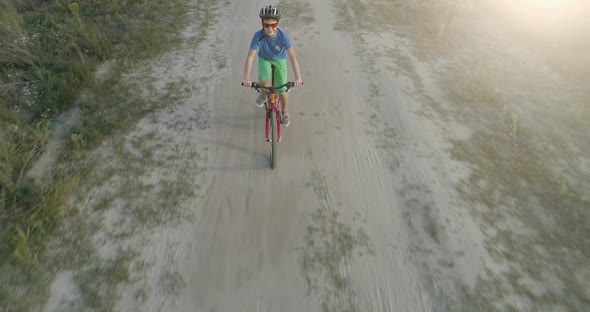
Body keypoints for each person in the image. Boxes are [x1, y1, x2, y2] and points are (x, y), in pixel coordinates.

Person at [242, 5, 303, 127]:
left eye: (273, 25)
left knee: (283, 89)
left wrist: (298, 78)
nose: (270, 29)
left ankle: (285, 111)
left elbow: (292, 56)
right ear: (262, 25)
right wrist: (246, 78)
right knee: (264, 82)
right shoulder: (257, 36)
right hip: (264, 58)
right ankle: (264, 93)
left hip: (280, 59)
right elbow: (250, 57)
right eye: (266, 25)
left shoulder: (284, 36)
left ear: (278, 24)